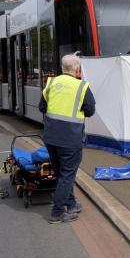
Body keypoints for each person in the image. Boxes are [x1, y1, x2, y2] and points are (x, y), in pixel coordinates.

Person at [39, 53, 96, 223]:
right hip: (70, 138)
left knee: (62, 173)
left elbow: (42, 107)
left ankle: (71, 204)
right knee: (67, 175)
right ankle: (57, 212)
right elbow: (90, 111)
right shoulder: (81, 87)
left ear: (62, 68)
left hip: (50, 137)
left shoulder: (51, 83)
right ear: (77, 70)